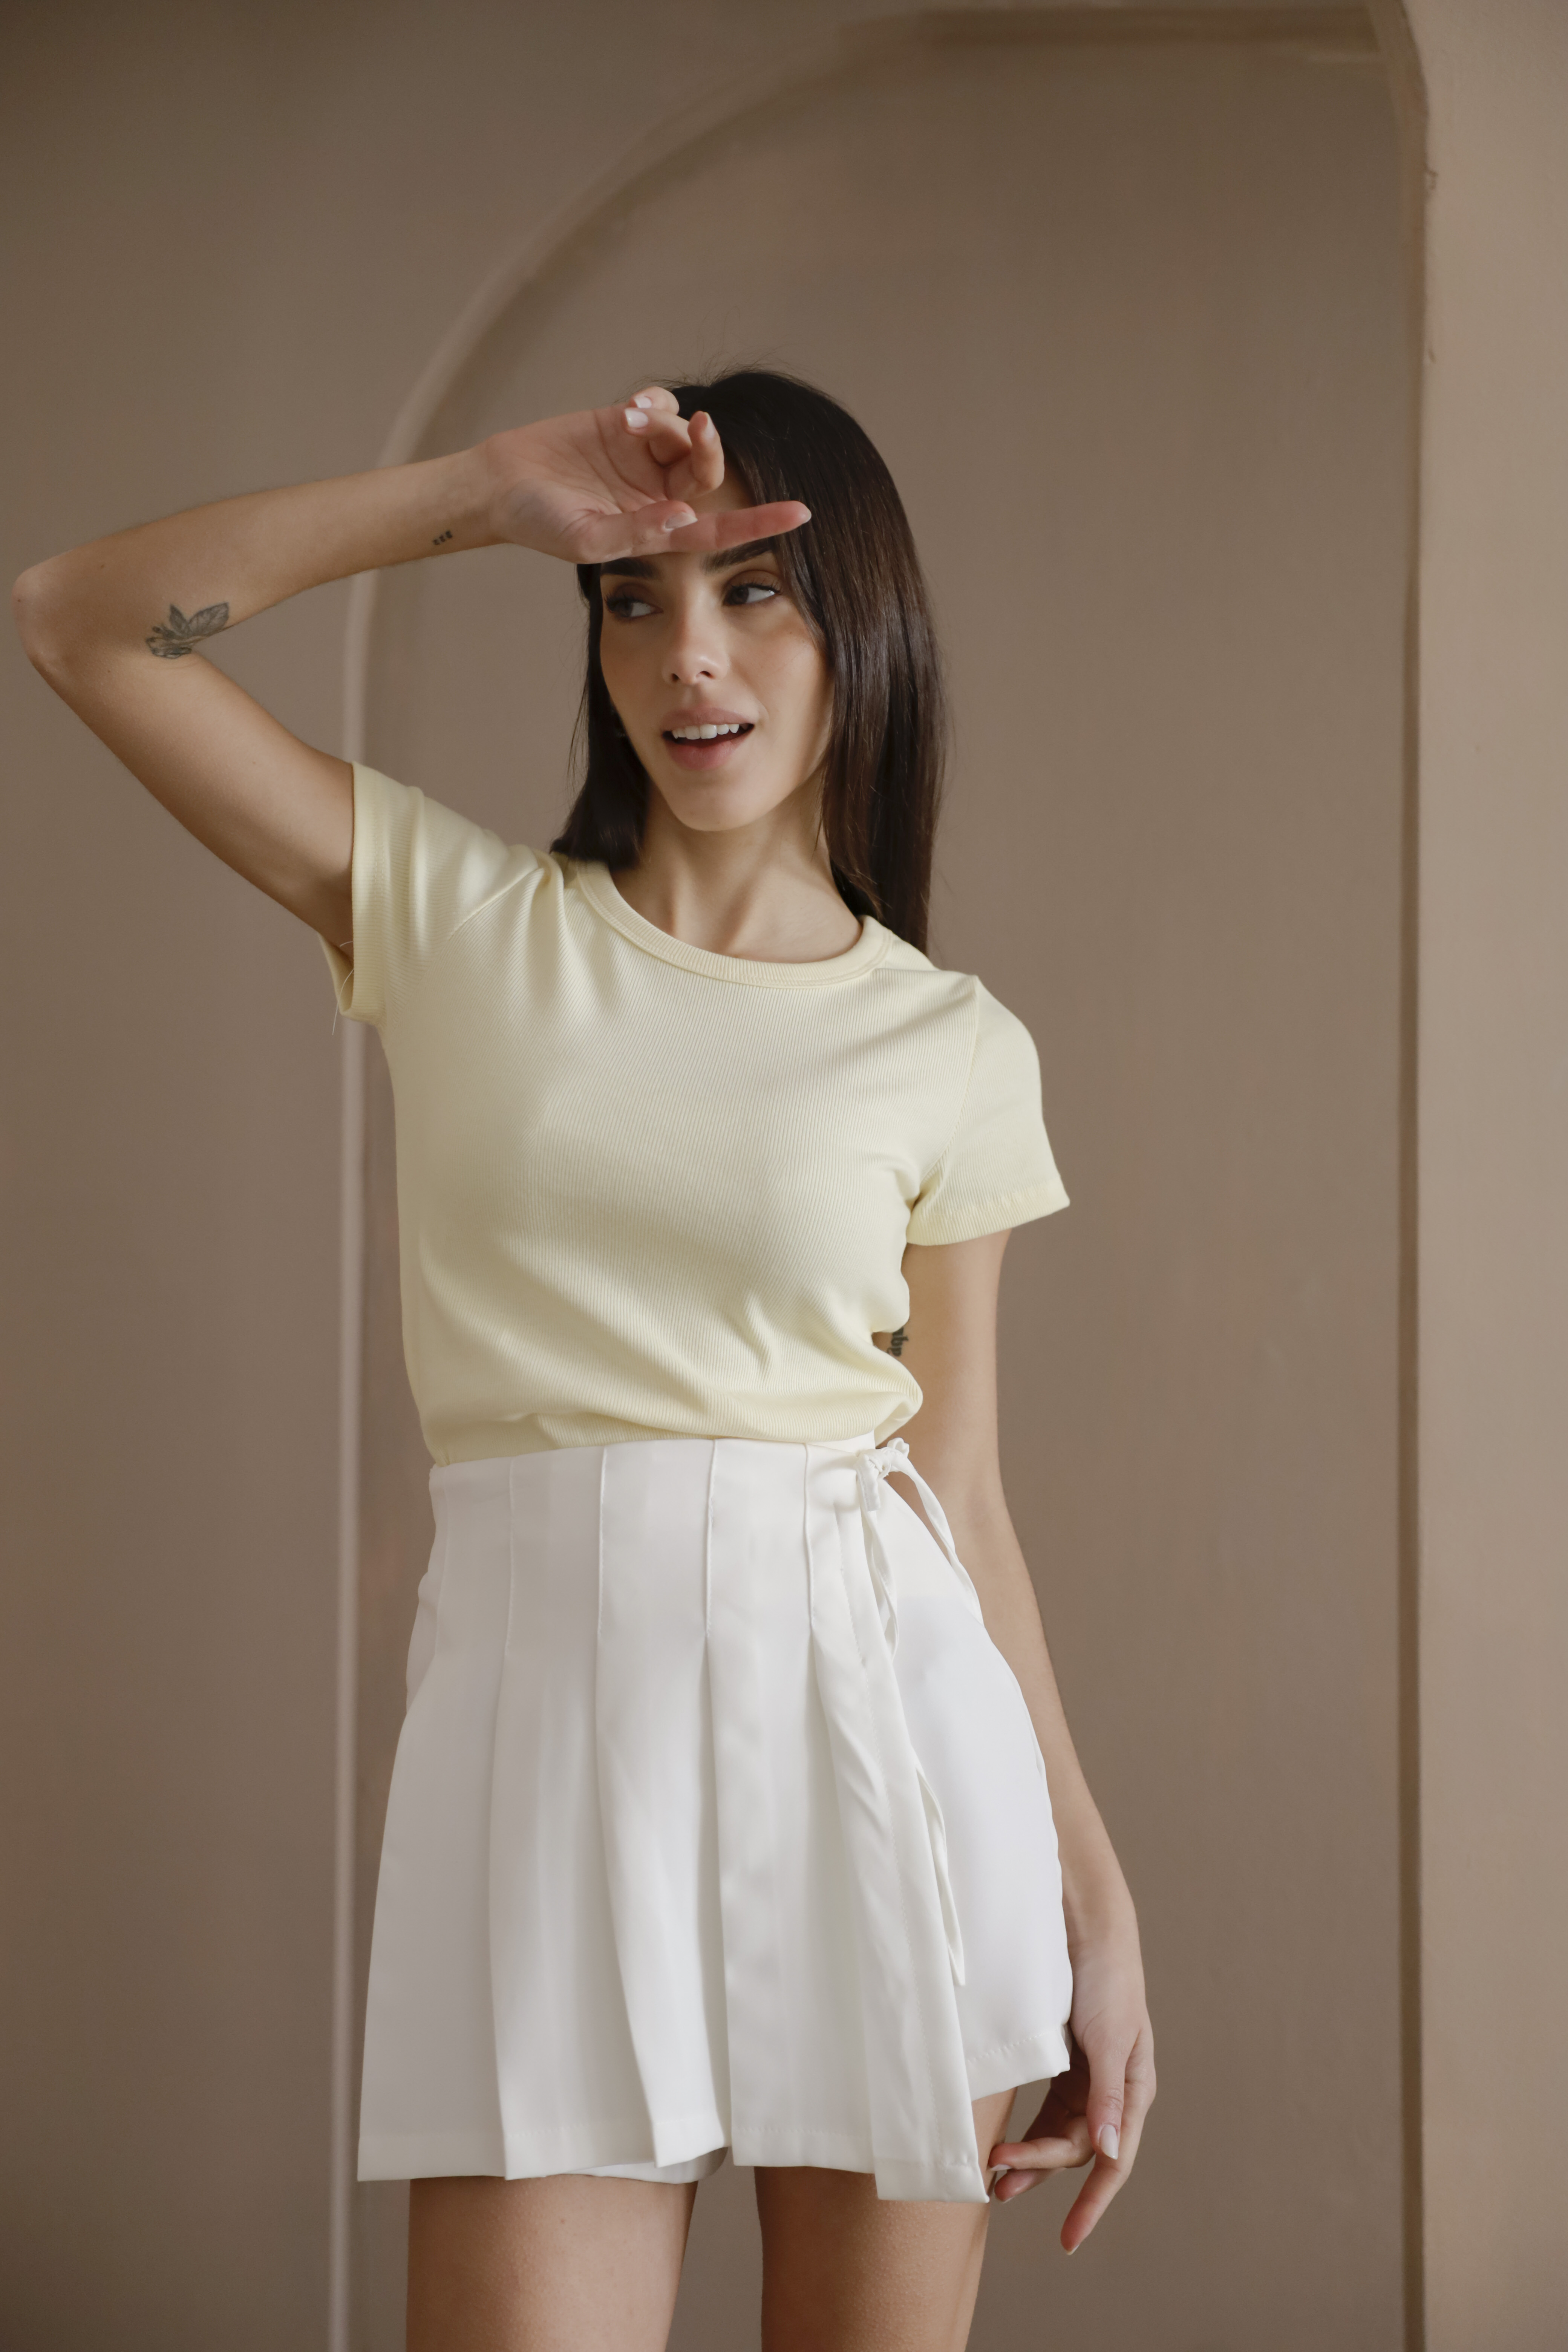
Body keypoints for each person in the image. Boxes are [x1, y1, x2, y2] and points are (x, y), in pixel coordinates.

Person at [15, 368, 1155, 2352]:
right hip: (542, 1758)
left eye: (750, 592)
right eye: (638, 598)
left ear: (860, 627)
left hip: (889, 1743)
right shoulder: (458, 921)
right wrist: (475, 494)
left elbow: (960, 1491)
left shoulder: (952, 1044)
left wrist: (1093, 1895)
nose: (687, 657)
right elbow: (79, 621)